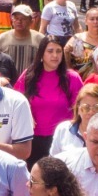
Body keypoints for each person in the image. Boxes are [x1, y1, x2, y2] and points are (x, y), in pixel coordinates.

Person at [16, 38, 82, 166]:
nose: (55, 55)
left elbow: (80, 108)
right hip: (32, 138)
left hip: (62, 139)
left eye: (58, 51)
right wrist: (27, 114)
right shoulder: (29, 75)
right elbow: (16, 101)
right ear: (41, 54)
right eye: (50, 51)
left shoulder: (72, 78)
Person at [0, 5, 46, 75]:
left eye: (23, 19)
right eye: (16, 18)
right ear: (12, 20)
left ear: (31, 21)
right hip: (8, 82)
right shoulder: (2, 38)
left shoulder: (40, 39)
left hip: (32, 81)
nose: (19, 21)